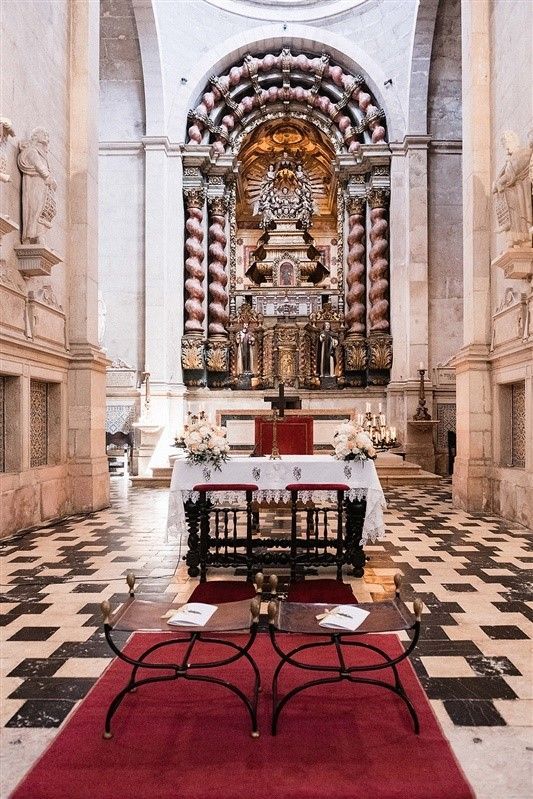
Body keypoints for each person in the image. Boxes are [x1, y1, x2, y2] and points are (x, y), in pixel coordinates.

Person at [17, 127, 57, 244]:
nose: (46, 137)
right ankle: (31, 235)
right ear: (36, 137)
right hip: (35, 185)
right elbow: (39, 166)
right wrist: (48, 177)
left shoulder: (42, 153)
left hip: (43, 186)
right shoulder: (32, 151)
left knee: (43, 209)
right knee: (35, 209)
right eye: (43, 134)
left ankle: (39, 234)